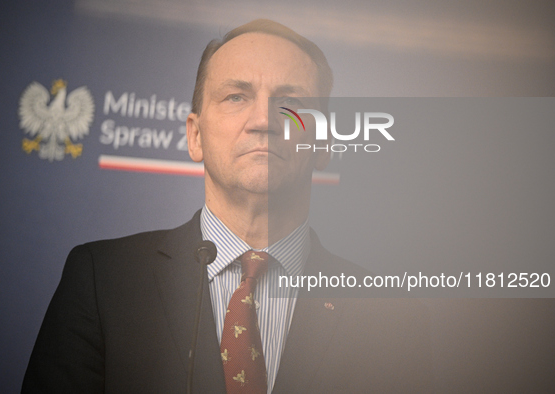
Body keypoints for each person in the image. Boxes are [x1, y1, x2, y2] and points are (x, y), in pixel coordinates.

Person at [22, 19, 432, 393]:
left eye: (290, 101)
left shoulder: (390, 318)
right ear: (195, 136)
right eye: (236, 97)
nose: (263, 120)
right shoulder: (100, 279)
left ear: (323, 144)